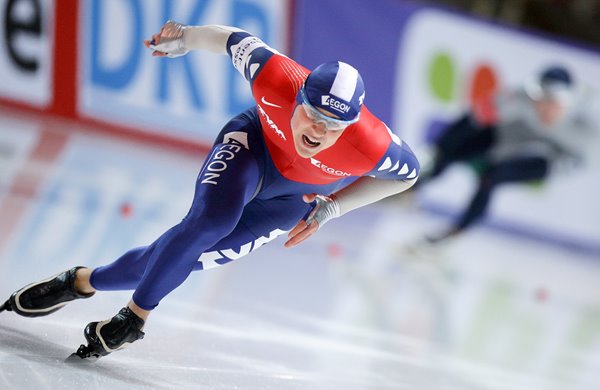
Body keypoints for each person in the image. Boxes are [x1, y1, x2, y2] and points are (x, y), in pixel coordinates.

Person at [0, 21, 419, 358]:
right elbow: (232, 39)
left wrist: (334, 208)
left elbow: (408, 176)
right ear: (298, 99)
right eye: (312, 115)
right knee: (208, 223)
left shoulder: (372, 144)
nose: (318, 131)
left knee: (189, 255)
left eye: (333, 126)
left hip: (293, 198)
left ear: (350, 125)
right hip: (252, 149)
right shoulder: (276, 77)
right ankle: (135, 318)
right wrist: (184, 39)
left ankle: (80, 282)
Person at [414, 65, 584, 243]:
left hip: (549, 159)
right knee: (450, 152)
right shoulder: (521, 98)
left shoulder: (583, 126)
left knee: (491, 178)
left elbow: (581, 160)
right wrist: (441, 147)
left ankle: (455, 233)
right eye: (540, 99)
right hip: (503, 137)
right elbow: (474, 118)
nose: (543, 107)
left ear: (567, 102)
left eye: (552, 102)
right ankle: (411, 189)